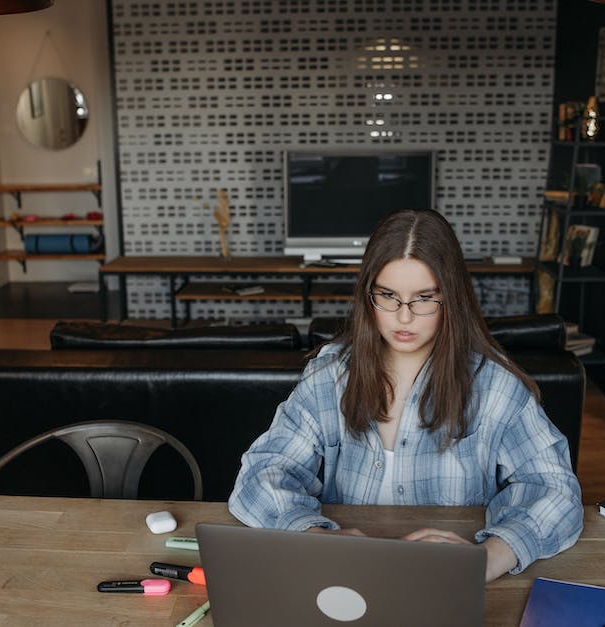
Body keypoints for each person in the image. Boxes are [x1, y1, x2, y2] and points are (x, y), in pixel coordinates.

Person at [228, 209, 583, 581]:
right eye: (388, 296)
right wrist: (314, 537)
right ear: (369, 295)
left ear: (452, 298)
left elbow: (556, 491)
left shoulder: (495, 387)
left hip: (446, 582)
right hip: (347, 578)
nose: (403, 317)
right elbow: (260, 476)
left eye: (424, 298)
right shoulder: (329, 376)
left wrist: (491, 556)